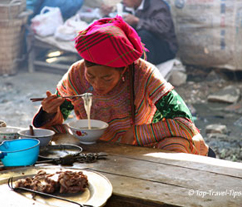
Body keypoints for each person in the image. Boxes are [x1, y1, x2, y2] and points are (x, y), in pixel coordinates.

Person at [33, 16, 212, 157]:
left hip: (140, 143)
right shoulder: (76, 73)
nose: (97, 84)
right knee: (45, 133)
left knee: (177, 145)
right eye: (91, 76)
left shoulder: (144, 73)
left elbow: (184, 122)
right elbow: (60, 115)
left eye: (107, 78)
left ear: (124, 69)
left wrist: (137, 133)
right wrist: (48, 111)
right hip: (89, 141)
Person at [101, 0, 178, 65]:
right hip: (142, 47)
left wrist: (137, 21)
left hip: (164, 48)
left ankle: (142, 70)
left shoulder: (156, 5)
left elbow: (164, 27)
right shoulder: (127, 5)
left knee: (143, 35)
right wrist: (107, 14)